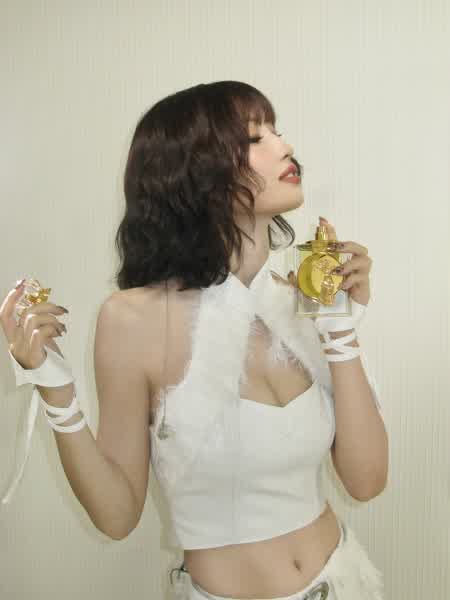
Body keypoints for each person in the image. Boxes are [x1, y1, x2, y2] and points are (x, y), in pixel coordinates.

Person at [1, 81, 387, 600]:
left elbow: (367, 480)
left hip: (345, 582)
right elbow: (116, 515)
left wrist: (339, 327)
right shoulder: (131, 319)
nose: (285, 146)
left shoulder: (300, 299)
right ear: (197, 173)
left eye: (277, 131)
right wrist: (56, 392)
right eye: (254, 138)